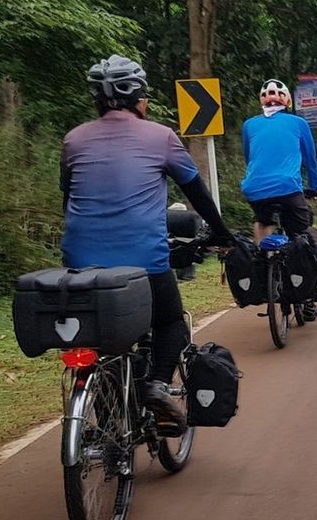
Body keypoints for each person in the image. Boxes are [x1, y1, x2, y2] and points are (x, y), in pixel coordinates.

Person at [61, 55, 233, 422]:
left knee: (97, 338)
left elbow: (69, 200)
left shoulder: (73, 139)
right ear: (140, 100)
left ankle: (104, 413)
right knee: (171, 322)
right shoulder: (161, 136)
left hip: (80, 263)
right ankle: (156, 385)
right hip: (143, 261)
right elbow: (198, 194)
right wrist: (221, 233)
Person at [241, 78, 317, 320]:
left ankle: (264, 274)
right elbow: (310, 159)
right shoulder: (298, 123)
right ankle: (308, 299)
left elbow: (249, 158)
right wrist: (314, 187)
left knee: (262, 223)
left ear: (262, 101)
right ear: (288, 101)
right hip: (289, 189)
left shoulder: (249, 125)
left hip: (254, 189)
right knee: (301, 235)